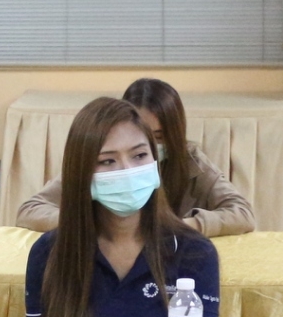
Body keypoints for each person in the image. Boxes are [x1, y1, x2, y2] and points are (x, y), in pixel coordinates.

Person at [25, 96, 219, 317]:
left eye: (139, 156)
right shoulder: (48, 252)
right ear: (82, 174)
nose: (127, 171)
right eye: (107, 161)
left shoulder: (195, 251)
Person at [16, 78, 254, 237]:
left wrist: (178, 227)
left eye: (158, 138)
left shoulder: (190, 161)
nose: (151, 147)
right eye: (142, 136)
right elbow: (31, 210)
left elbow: (242, 213)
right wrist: (88, 226)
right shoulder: (98, 162)